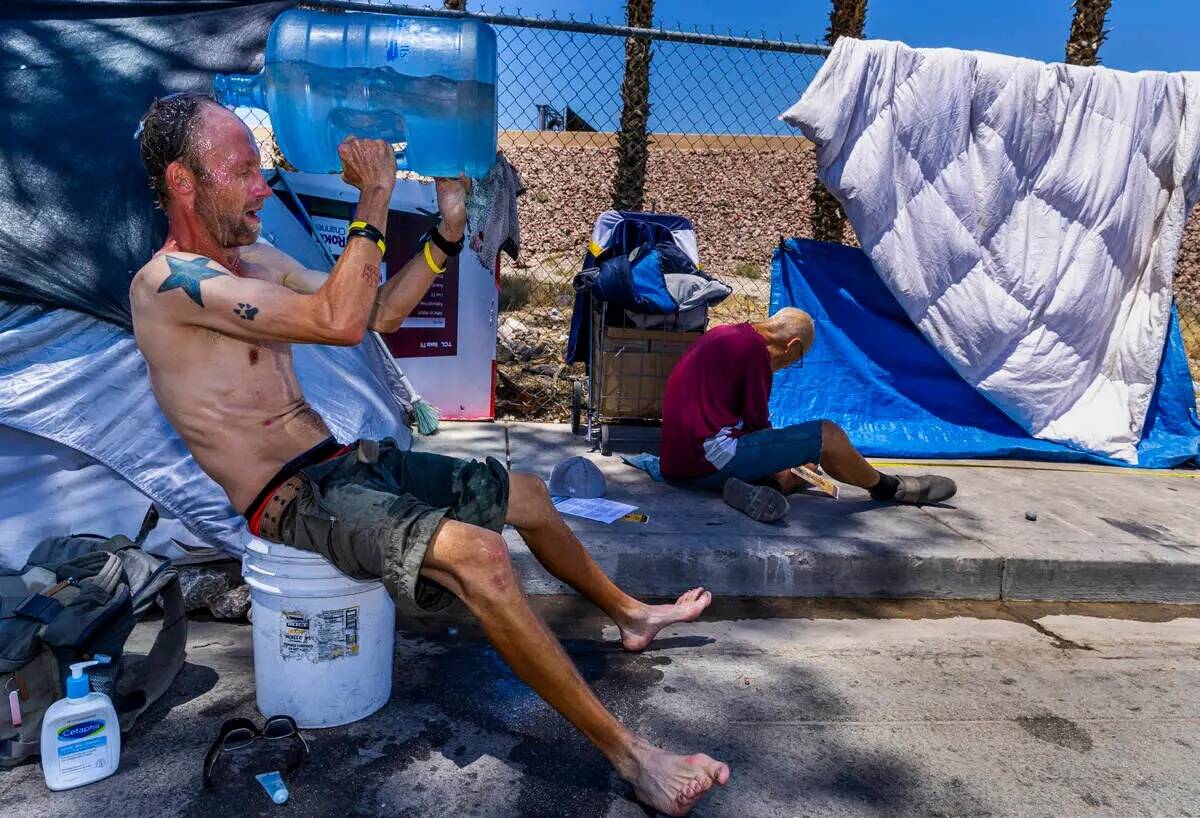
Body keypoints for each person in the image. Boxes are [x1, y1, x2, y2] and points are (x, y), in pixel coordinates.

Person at [129, 93, 728, 816]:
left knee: (530, 494)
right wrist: (375, 195)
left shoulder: (252, 256)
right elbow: (339, 322)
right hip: (289, 498)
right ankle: (633, 759)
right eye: (242, 171)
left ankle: (630, 614)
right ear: (184, 183)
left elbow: (377, 313)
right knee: (481, 556)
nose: (261, 186)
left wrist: (445, 234)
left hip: (341, 463)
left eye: (261, 169)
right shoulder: (168, 285)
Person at [660, 308, 957, 522]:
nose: (788, 365)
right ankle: (888, 487)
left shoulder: (726, 334)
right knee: (826, 435)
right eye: (796, 360)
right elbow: (758, 427)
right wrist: (787, 457)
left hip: (678, 464)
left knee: (803, 468)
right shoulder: (755, 353)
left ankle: (766, 490)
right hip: (710, 459)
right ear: (793, 346)